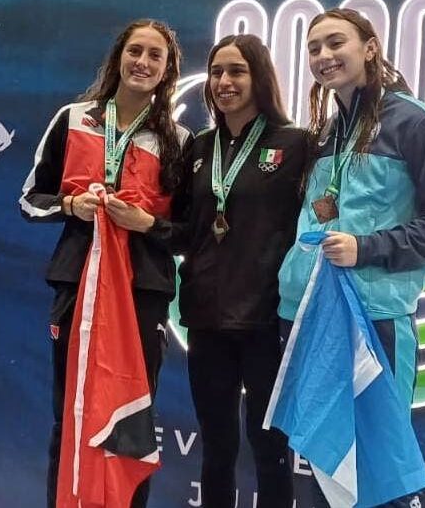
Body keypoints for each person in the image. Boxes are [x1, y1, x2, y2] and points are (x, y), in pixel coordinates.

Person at [276, 8, 425, 507]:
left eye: (335, 42)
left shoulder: (416, 121)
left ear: (369, 47)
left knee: (378, 481)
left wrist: (368, 247)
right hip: (312, 316)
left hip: (374, 321)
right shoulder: (326, 132)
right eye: (314, 47)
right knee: (329, 474)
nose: (323, 55)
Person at [106, 34, 308, 508]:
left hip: (267, 322)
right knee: (217, 449)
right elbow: (185, 233)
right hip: (206, 320)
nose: (224, 82)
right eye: (217, 72)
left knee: (270, 449)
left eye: (236, 71)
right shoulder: (197, 149)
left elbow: (319, 222)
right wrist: (147, 224)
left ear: (259, 77)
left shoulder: (296, 145)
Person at [19, 19, 190, 508]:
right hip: (76, 285)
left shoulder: (178, 139)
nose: (143, 62)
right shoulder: (74, 118)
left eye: (155, 56)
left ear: (167, 70)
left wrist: (145, 224)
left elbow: (188, 234)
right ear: (118, 58)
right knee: (69, 412)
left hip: (142, 294)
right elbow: (30, 199)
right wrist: (70, 207)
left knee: (130, 422)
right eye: (135, 51)